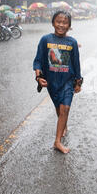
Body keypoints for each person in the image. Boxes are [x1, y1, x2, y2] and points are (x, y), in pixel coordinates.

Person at [33, 10, 82, 154]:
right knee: (58, 108)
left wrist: (78, 82)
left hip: (67, 81)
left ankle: (57, 141)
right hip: (52, 82)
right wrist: (38, 76)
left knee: (65, 109)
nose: (61, 25)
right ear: (53, 23)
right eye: (58, 21)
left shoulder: (72, 42)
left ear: (69, 25)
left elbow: (76, 63)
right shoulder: (45, 39)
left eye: (65, 22)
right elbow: (38, 60)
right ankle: (63, 126)